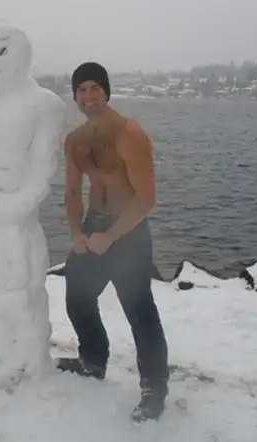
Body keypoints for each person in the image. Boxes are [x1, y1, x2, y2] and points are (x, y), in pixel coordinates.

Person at [58, 61, 169, 422]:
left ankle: (154, 388)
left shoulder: (128, 134)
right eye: (81, 89)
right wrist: (77, 233)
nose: (88, 96)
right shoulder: (75, 141)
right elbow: (72, 191)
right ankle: (93, 360)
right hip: (95, 226)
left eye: (95, 87)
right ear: (75, 96)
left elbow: (146, 198)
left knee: (139, 309)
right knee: (78, 295)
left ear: (106, 91)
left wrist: (111, 236)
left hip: (129, 230)